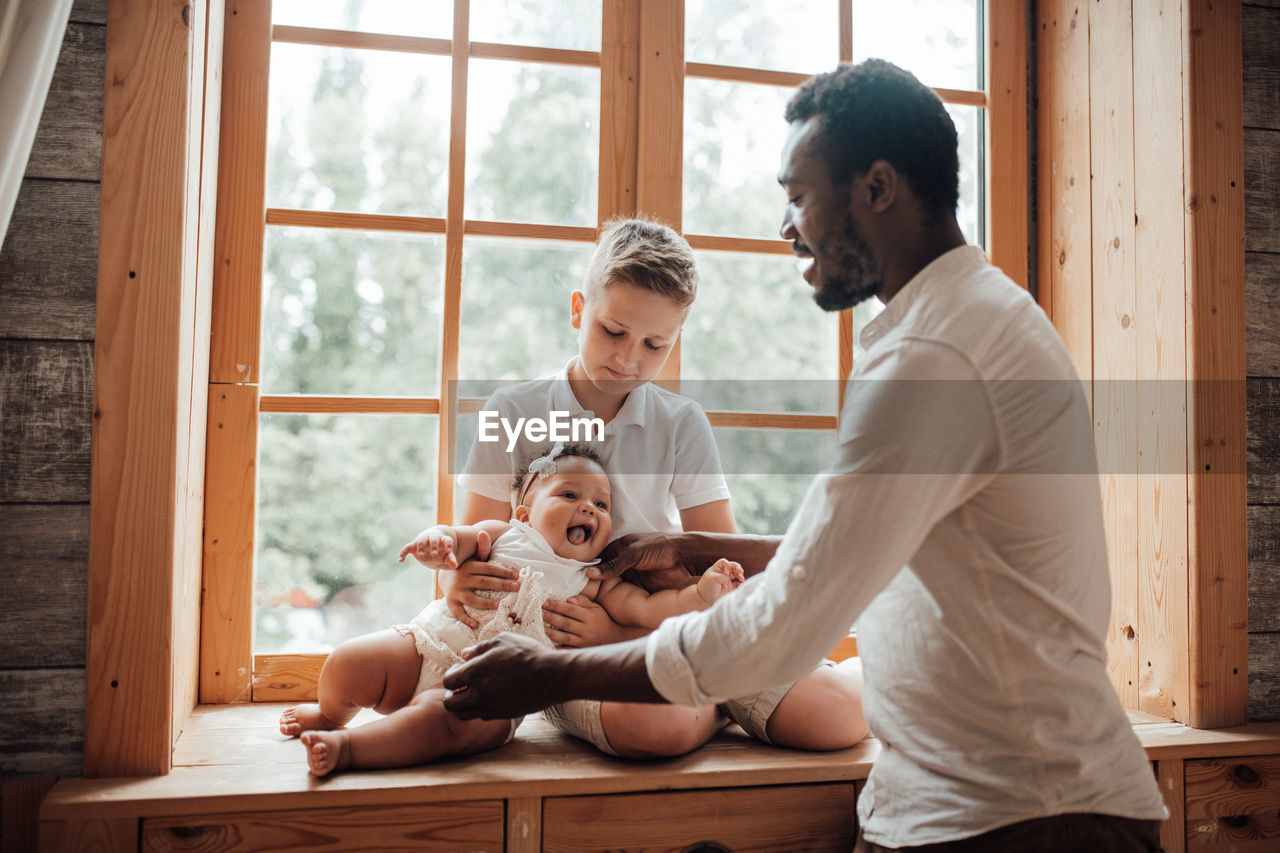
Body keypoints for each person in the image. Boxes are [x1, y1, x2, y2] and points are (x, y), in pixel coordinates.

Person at [441, 60, 1168, 852]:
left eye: (797, 195)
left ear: (877, 188)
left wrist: (548, 674)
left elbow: (788, 616)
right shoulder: (979, 320)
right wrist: (693, 547)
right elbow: (863, 556)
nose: (786, 227)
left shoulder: (933, 357)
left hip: (1018, 820)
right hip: (980, 801)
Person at [448, 216, 867, 757]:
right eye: (612, 332)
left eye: (654, 344)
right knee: (657, 727)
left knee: (833, 716)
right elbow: (475, 548)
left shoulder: (681, 422)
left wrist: (642, 635)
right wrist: (463, 587)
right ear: (579, 309)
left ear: (677, 339)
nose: (628, 359)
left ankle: (802, 677)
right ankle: (712, 700)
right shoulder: (509, 410)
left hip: (679, 619)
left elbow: (723, 572)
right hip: (564, 638)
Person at [277, 444, 744, 776]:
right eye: (570, 495)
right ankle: (331, 716)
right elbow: (459, 539)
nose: (589, 509)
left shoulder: (596, 579)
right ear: (524, 514)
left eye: (602, 504)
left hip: (493, 694)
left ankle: (349, 749)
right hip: (424, 646)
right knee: (348, 663)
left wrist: (702, 594)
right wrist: (438, 542)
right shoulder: (503, 533)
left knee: (436, 721)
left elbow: (649, 607)